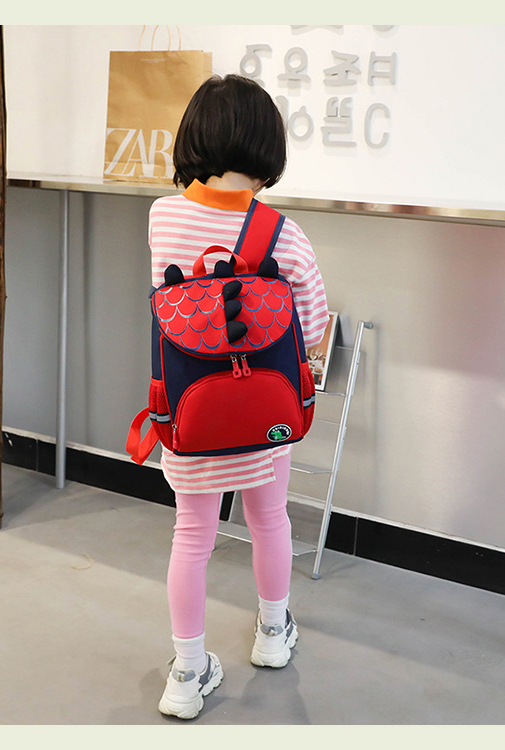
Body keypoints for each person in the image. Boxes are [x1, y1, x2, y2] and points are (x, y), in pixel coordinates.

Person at [149, 74, 329, 720]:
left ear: (194, 137)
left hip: (190, 416)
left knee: (191, 535)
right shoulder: (287, 235)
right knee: (270, 519)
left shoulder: (162, 217)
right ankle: (273, 634)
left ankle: (187, 673)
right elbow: (314, 324)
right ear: (267, 147)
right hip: (263, 418)